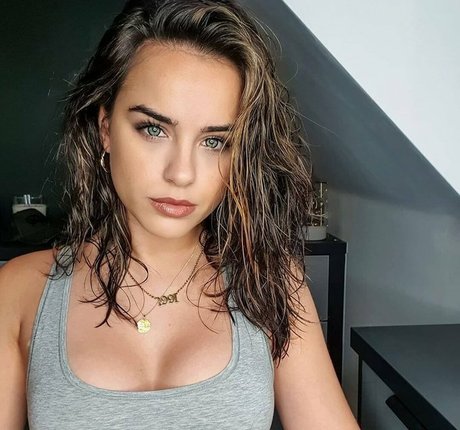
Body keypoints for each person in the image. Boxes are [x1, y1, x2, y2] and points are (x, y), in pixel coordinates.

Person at [0, 0, 359, 428]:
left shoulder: (271, 283)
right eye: (154, 129)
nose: (182, 173)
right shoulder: (20, 291)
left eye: (214, 142)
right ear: (105, 128)